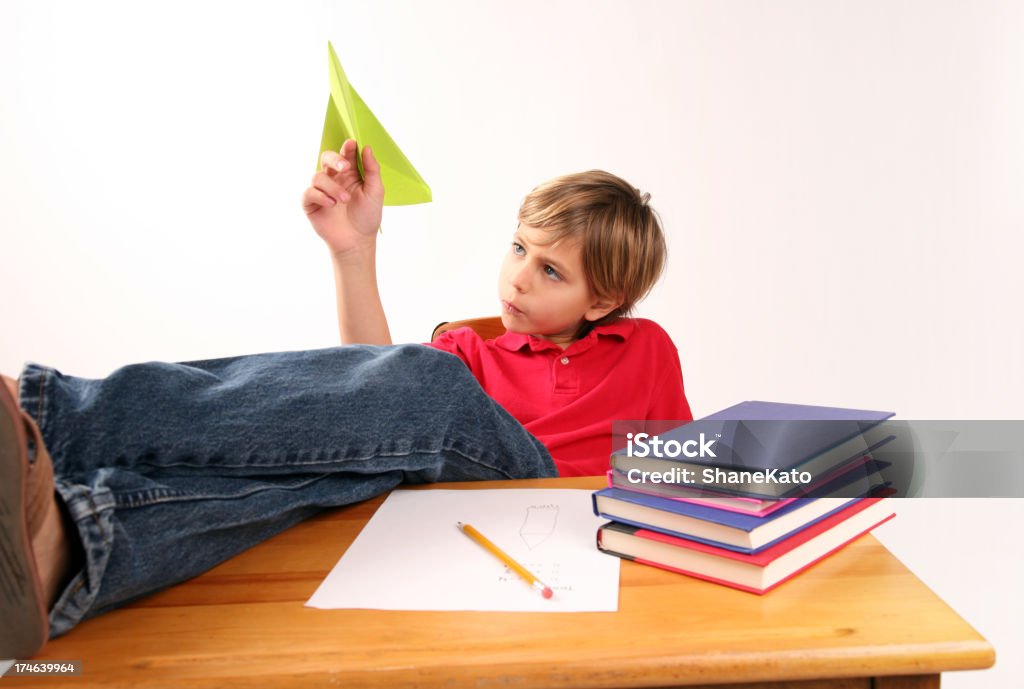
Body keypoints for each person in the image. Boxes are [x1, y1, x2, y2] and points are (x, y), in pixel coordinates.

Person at [0, 140, 692, 659]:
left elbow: (684, 470)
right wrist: (353, 251)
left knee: (428, 380)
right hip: (452, 513)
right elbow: (372, 386)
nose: (517, 279)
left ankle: (50, 416)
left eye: (550, 270)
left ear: (603, 300)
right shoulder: (470, 352)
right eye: (518, 247)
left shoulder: (644, 351)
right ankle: (71, 541)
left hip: (551, 509)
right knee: (319, 477)